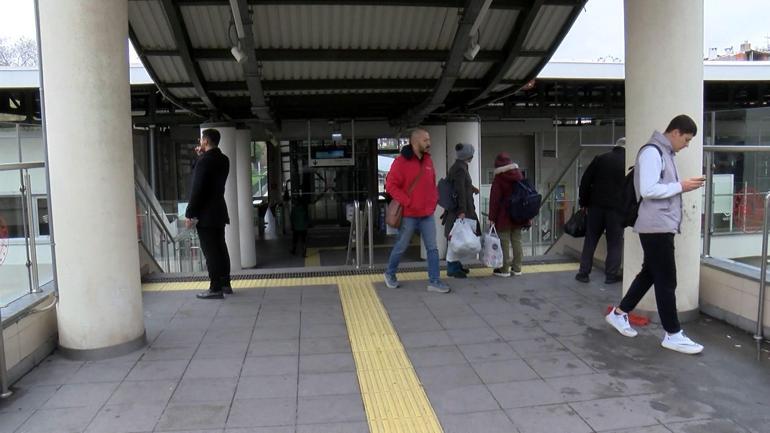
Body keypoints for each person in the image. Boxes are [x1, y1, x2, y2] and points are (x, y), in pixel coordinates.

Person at [605, 114, 706, 355]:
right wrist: (682, 185)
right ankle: (673, 334)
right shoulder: (653, 152)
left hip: (659, 225)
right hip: (656, 226)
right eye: (687, 139)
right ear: (675, 132)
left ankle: (619, 314)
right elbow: (649, 189)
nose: (687, 145)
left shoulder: (663, 152)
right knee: (666, 280)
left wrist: (681, 185)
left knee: (650, 273)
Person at [384, 127, 450, 293]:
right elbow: (390, 185)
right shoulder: (401, 162)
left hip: (426, 214)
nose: (429, 143)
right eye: (425, 140)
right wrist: (407, 201)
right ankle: (390, 274)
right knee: (401, 246)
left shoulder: (428, 160)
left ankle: (434, 281)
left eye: (429, 139)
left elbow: (432, 183)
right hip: (409, 215)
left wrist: (434, 200)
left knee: (432, 248)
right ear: (414, 142)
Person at [185, 128, 232, 300]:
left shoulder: (204, 161)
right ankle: (226, 284)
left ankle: (215, 288)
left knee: (210, 251)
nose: (200, 143)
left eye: (201, 140)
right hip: (220, 209)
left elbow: (197, 188)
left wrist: (190, 213)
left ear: (205, 141)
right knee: (220, 247)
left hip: (206, 213)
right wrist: (200, 157)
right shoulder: (224, 159)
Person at [575, 137, 626, 284]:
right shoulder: (629, 162)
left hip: (596, 207)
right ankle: (611, 275)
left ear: (615, 145)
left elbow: (585, 181)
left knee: (591, 239)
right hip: (617, 210)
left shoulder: (600, 159)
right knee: (615, 243)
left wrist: (583, 202)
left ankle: (583, 273)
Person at [442, 143, 480, 278]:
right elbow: (459, 191)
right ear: (468, 155)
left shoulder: (460, 166)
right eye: (472, 154)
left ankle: (456, 265)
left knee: (458, 236)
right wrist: (462, 210)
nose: (473, 156)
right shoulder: (460, 168)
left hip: (456, 208)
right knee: (455, 238)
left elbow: (462, 185)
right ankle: (452, 268)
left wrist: (472, 188)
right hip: (458, 209)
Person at [488, 153, 526, 277]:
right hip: (518, 214)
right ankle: (517, 268)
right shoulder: (519, 175)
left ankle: (504, 269)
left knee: (504, 242)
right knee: (517, 241)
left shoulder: (499, 179)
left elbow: (495, 200)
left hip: (504, 216)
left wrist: (492, 218)